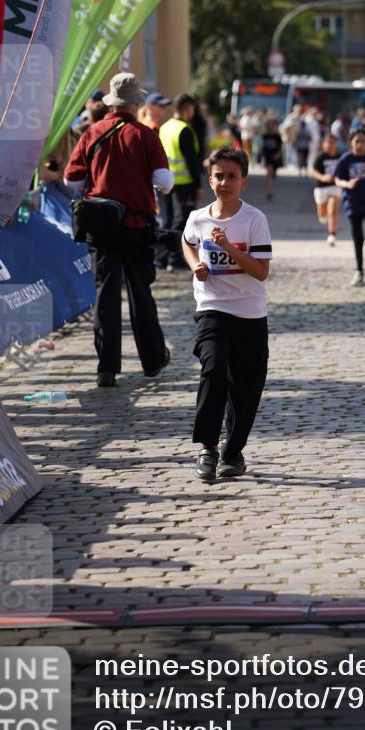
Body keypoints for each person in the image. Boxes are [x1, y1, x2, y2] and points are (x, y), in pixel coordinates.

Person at [64, 72, 174, 387]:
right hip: (137, 226)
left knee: (105, 294)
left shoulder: (91, 132)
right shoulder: (145, 135)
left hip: (100, 226)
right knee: (140, 292)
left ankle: (106, 367)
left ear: (112, 102)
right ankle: (152, 360)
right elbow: (165, 183)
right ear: (136, 102)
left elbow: (72, 181)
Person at [182, 147, 272, 483]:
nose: (225, 183)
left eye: (231, 177)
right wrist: (196, 265)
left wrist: (229, 249)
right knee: (214, 370)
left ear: (244, 181)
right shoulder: (198, 218)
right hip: (212, 308)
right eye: (219, 176)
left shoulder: (254, 220)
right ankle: (207, 447)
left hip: (249, 312)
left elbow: (261, 272)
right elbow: (187, 242)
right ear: (210, 180)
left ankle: (232, 452)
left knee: (246, 387)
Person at [334, 129, 365, 285]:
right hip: (353, 203)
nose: (360, 145)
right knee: (358, 238)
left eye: (363, 141)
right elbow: (337, 179)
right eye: (357, 141)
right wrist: (347, 184)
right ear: (351, 143)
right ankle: (359, 270)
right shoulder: (345, 160)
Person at [159, 93, 203, 271]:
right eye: (192, 108)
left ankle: (162, 257)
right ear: (187, 108)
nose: (193, 112)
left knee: (168, 220)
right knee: (182, 221)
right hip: (184, 183)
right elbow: (192, 161)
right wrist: (198, 185)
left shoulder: (165, 127)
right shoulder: (184, 130)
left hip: (167, 182)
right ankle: (175, 257)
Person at [311, 134, 341, 247]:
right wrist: (322, 177)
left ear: (336, 144)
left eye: (332, 142)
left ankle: (332, 235)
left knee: (332, 210)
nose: (330, 145)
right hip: (321, 188)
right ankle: (323, 217)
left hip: (335, 187)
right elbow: (313, 171)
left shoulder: (340, 157)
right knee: (323, 215)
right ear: (323, 144)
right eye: (328, 142)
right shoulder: (321, 157)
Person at [258, 117, 283, 200]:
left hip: (275, 157)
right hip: (267, 156)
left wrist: (278, 154)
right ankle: (269, 192)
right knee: (270, 172)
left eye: (272, 126)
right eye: (269, 126)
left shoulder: (277, 136)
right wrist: (260, 157)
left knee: (273, 174)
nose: (271, 127)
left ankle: (268, 185)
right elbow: (261, 147)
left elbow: (280, 147)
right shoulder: (264, 136)